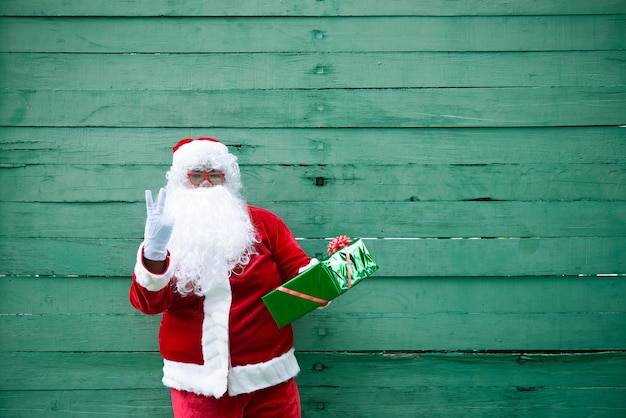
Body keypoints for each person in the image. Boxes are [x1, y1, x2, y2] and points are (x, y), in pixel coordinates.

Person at [129, 137, 316, 417]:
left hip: (270, 378)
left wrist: (331, 273)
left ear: (227, 180)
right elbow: (149, 304)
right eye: (196, 176)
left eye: (215, 175)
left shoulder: (265, 224)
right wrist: (154, 253)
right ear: (182, 180)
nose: (206, 183)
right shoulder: (166, 230)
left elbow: (299, 269)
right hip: (199, 385)